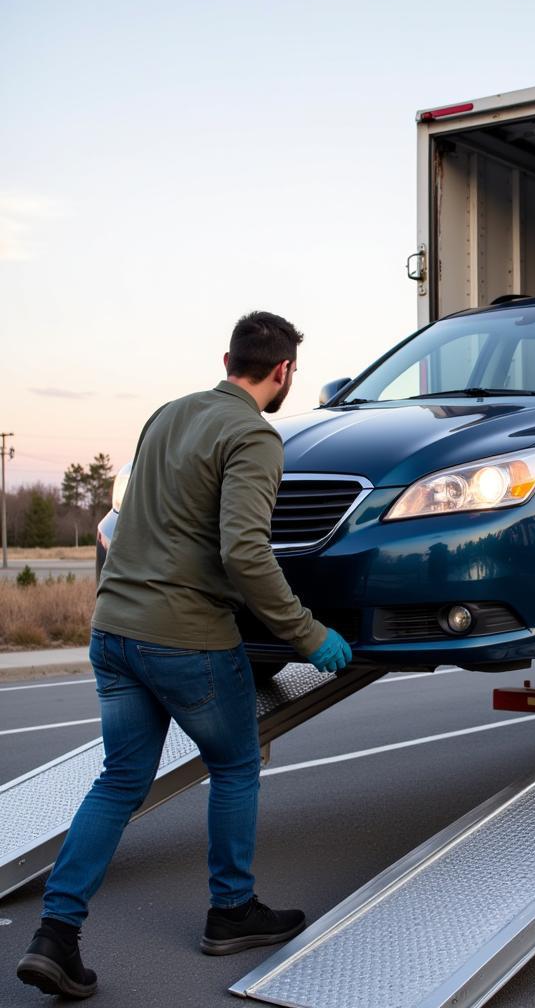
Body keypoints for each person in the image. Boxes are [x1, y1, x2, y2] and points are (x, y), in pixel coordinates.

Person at [17, 311, 352, 1000]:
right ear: (284, 372)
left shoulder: (166, 415)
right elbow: (245, 551)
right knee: (233, 764)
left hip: (112, 632)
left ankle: (56, 933)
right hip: (186, 639)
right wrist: (306, 633)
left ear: (227, 358)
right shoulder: (255, 435)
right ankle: (232, 911)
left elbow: (138, 518)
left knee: (118, 781)